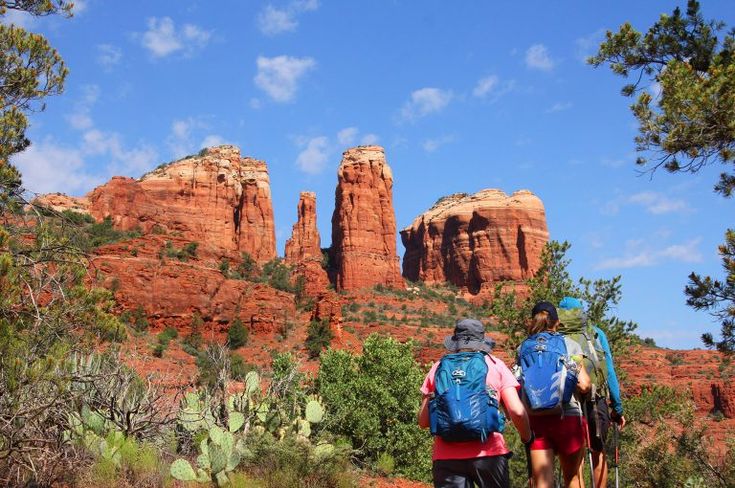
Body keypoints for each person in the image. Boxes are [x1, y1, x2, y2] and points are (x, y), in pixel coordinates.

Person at [418, 318, 533, 488]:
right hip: (490, 453)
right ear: (481, 341)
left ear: (455, 341)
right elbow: (516, 411)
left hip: (446, 457)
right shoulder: (495, 365)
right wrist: (527, 437)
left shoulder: (438, 367)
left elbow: (423, 421)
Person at [557, 297, 626, 488]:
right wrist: (617, 407)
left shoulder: (557, 335)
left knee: (574, 453)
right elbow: (609, 370)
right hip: (597, 398)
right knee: (598, 451)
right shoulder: (595, 333)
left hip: (568, 402)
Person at [523, 301, 591, 488]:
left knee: (543, 482)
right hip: (567, 417)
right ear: (557, 322)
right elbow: (584, 384)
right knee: (573, 478)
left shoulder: (524, 347)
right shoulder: (570, 345)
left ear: (533, 321)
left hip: (536, 420)